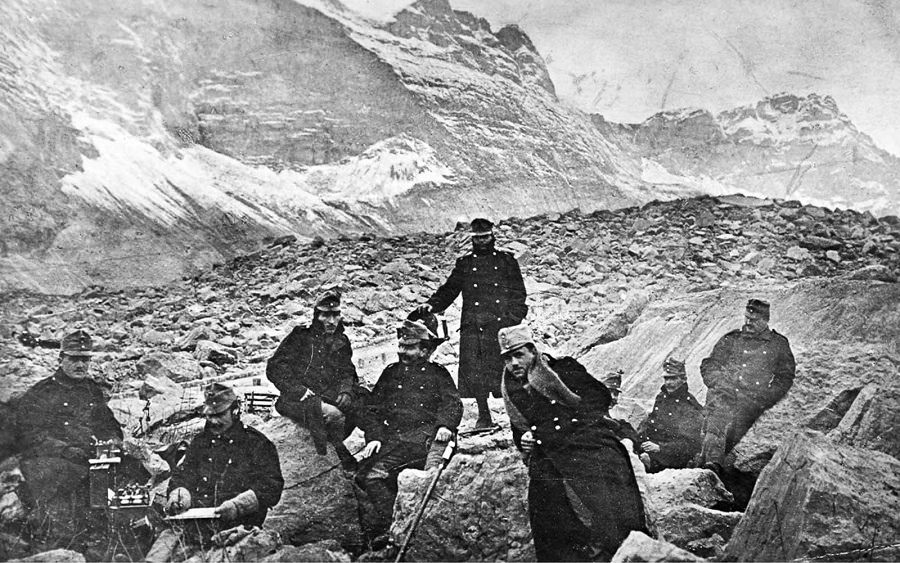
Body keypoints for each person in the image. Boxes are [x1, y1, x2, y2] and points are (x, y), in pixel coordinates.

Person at [499, 324, 647, 561]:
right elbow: (518, 427)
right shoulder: (511, 389)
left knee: (606, 492)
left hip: (585, 440)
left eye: (519, 355)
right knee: (545, 505)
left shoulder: (563, 368)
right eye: (508, 358)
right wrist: (523, 439)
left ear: (532, 351)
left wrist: (568, 426)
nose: (514, 363)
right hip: (548, 452)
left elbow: (599, 398)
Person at [12, 329, 124, 557]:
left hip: (87, 457)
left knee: (127, 469)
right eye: (74, 359)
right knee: (62, 478)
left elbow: (107, 422)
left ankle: (109, 538)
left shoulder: (91, 389)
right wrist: (64, 450)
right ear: (60, 359)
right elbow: (29, 436)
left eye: (85, 359)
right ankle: (63, 542)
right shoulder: (41, 392)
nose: (80, 365)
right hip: (50, 459)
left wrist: (114, 439)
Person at [356, 316, 463, 546]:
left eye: (410, 347)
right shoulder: (391, 373)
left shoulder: (438, 374)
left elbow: (452, 403)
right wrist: (373, 438)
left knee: (430, 481)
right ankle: (392, 526)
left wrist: (445, 425)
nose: (403, 352)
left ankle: (426, 532)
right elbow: (372, 409)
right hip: (396, 441)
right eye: (401, 346)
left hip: (428, 439)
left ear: (424, 351)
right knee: (370, 476)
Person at [416, 218, 528, 429]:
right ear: (472, 239)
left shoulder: (506, 261)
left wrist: (513, 319)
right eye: (478, 238)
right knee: (476, 373)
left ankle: (518, 414)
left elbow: (518, 293)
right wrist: (432, 305)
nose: (482, 242)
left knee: (510, 369)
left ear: (492, 236)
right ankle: (484, 415)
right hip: (474, 326)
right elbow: (449, 289)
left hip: (500, 324)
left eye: (485, 237)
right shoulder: (465, 264)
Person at [164, 383, 284, 529]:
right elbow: (182, 476)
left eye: (220, 415)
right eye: (210, 416)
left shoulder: (257, 443)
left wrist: (238, 506)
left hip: (240, 526)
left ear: (235, 411)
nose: (214, 421)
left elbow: (271, 486)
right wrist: (180, 495)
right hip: (197, 526)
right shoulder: (199, 442)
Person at [267, 287, 362, 469]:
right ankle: (339, 454)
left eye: (335, 315)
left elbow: (347, 371)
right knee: (334, 416)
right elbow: (275, 366)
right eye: (325, 315)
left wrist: (346, 390)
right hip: (299, 399)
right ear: (317, 316)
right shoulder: (301, 337)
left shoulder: (341, 341)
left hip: (328, 394)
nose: (331, 321)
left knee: (364, 404)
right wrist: (297, 389)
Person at [698, 299, 796, 472]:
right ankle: (711, 468)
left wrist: (766, 397)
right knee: (715, 426)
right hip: (724, 395)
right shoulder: (732, 339)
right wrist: (719, 383)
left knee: (733, 441)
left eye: (754, 320)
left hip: (751, 401)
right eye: (746, 318)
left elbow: (785, 377)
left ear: (765, 320)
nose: (748, 323)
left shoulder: (778, 344)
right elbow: (709, 365)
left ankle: (715, 470)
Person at [637, 357, 703, 473]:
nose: (668, 383)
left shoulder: (689, 406)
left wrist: (660, 448)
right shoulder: (661, 398)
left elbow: (690, 445)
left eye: (673, 378)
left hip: (672, 459)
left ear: (683, 379)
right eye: (666, 378)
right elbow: (650, 424)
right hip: (652, 449)